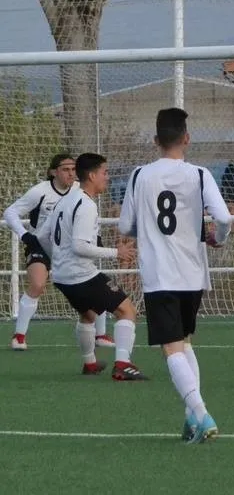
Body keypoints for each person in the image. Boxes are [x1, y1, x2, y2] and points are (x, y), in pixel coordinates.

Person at [118, 107, 232, 444]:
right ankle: (190, 420)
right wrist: (216, 238)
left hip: (160, 274)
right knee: (184, 343)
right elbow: (224, 219)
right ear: (187, 138)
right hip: (193, 274)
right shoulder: (199, 174)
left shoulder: (140, 175)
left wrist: (145, 226)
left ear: (155, 140)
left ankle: (201, 412)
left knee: (171, 348)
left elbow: (125, 225)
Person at [36, 153, 145, 380]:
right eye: (105, 173)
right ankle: (123, 364)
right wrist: (118, 252)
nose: (108, 178)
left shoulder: (64, 200)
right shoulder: (86, 204)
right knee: (127, 311)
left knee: (88, 314)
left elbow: (42, 235)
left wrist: (57, 261)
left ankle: (90, 364)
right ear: (92, 175)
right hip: (81, 275)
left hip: (62, 276)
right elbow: (80, 247)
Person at [3, 154, 112, 350]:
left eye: (73, 169)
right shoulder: (40, 191)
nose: (71, 173)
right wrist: (25, 235)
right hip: (41, 246)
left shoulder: (80, 191)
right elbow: (10, 212)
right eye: (65, 169)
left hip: (69, 250)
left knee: (96, 285)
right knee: (37, 284)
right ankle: (19, 336)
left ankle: (101, 335)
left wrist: (95, 239)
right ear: (53, 172)